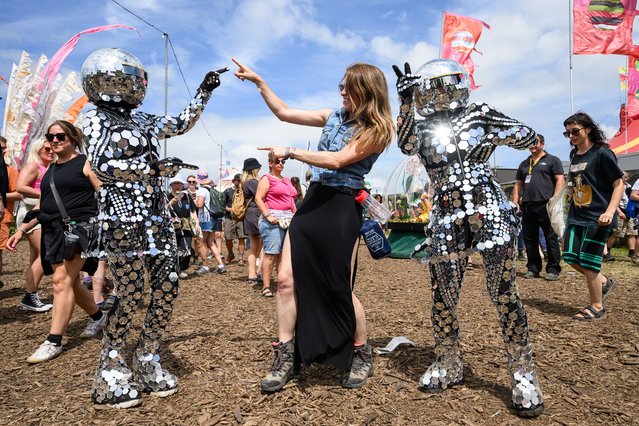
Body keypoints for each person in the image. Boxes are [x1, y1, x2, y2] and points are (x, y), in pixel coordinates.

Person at [393, 58, 544, 417]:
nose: (442, 92)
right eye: (434, 86)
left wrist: (497, 129)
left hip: (489, 209)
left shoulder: (479, 112)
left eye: (448, 84)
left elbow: (526, 135)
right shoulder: (422, 123)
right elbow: (404, 144)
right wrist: (405, 103)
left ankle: (523, 373)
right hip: (446, 215)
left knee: (504, 293)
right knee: (442, 296)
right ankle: (448, 362)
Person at [233, 58, 394, 391]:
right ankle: (286, 356)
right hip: (313, 203)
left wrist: (291, 152)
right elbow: (284, 112)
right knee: (287, 280)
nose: (341, 92)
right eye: (341, 85)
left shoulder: (377, 129)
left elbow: (337, 160)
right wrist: (260, 83)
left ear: (365, 90)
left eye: (347, 86)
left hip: (340, 207)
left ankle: (361, 352)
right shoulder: (332, 116)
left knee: (338, 286)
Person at [79, 47, 225, 408]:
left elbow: (180, 123)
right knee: (128, 292)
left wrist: (204, 91)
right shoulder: (95, 118)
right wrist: (154, 171)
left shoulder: (141, 120)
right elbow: (102, 165)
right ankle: (111, 367)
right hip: (122, 217)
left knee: (167, 287)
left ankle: (147, 357)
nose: (133, 82)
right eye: (127, 76)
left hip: (156, 217)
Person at [7, 120, 104, 364]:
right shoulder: (51, 170)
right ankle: (98, 316)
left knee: (61, 281)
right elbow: (43, 205)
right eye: (50, 137)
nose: (55, 141)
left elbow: (105, 193)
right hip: (52, 230)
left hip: (77, 232)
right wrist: (22, 229)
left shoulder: (84, 163)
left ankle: (53, 340)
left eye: (60, 136)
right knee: (70, 282)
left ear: (72, 138)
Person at [562, 112, 624, 321]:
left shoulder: (602, 153)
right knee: (570, 257)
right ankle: (604, 282)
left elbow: (619, 184)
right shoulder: (574, 155)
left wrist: (609, 211)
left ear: (588, 129)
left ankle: (597, 306)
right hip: (576, 214)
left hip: (598, 216)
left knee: (589, 262)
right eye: (568, 133)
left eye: (575, 131)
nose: (571, 136)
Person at [512, 134, 565, 281]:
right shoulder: (524, 163)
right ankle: (533, 268)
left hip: (546, 204)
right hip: (527, 205)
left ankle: (553, 269)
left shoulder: (552, 160)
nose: (532, 146)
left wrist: (554, 199)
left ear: (542, 144)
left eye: (535, 143)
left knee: (550, 237)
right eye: (530, 144)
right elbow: (518, 184)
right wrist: (515, 202)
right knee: (530, 238)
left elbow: (560, 179)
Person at [15, 138, 55, 311]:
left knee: (34, 258)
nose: (51, 151)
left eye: (52, 148)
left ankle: (31, 295)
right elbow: (20, 186)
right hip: (32, 215)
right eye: (46, 148)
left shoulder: (48, 168)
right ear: (38, 149)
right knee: (45, 254)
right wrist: (44, 194)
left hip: (40, 215)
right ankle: (29, 296)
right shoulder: (33, 166)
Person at [255, 152, 297, 297]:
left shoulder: (286, 180)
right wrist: (268, 215)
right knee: (271, 254)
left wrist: (296, 216)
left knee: (284, 255)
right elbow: (258, 198)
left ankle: (282, 284)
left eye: (283, 162)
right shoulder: (267, 178)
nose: (281, 164)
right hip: (273, 218)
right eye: (277, 161)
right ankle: (266, 286)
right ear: (271, 164)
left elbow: (291, 200)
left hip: (288, 217)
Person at [193, 171, 226, 275]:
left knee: (201, 242)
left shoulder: (202, 190)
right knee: (211, 243)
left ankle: (205, 266)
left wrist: (192, 200)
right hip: (213, 217)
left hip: (205, 218)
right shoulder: (211, 189)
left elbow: (199, 204)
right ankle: (221, 265)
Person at [167, 176, 200, 278]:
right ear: (171, 186)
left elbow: (193, 211)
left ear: (182, 185)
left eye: (179, 184)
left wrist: (197, 224)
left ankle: (182, 269)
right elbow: (162, 211)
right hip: (171, 226)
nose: (177, 186)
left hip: (186, 226)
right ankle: (172, 270)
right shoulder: (167, 197)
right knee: (173, 249)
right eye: (175, 184)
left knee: (186, 248)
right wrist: (171, 203)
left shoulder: (187, 196)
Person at [604, 171, 637, 262]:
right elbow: (613, 201)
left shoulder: (629, 187)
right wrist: (619, 212)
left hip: (629, 212)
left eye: (625, 177)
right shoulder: (615, 186)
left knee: (632, 232)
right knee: (616, 233)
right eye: (622, 176)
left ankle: (632, 252)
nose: (624, 178)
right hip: (620, 211)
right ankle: (607, 252)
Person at [241, 157, 263, 285]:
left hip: (250, 214)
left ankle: (252, 274)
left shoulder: (246, 182)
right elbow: (263, 196)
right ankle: (258, 272)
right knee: (263, 245)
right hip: (256, 214)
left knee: (254, 247)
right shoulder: (253, 182)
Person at [222, 173, 246, 266]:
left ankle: (241, 257)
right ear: (234, 181)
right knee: (228, 238)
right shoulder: (227, 191)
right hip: (229, 218)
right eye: (238, 181)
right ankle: (230, 254)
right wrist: (228, 209)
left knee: (241, 238)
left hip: (241, 218)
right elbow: (222, 204)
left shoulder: (244, 191)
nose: (240, 183)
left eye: (241, 181)